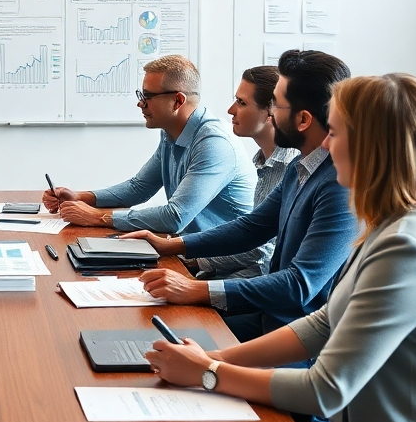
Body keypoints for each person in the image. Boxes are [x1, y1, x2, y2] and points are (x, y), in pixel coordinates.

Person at [145, 73, 416, 422]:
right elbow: (321, 324)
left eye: (335, 133)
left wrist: (209, 374)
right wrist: (217, 357)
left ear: (370, 146)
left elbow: (325, 388)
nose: (327, 146)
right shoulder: (385, 226)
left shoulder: (407, 246)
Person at [131, 50, 357, 344]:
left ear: (303, 119)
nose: (270, 113)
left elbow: (299, 285)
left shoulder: (339, 186)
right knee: (155, 330)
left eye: (276, 104)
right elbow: (251, 228)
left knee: (169, 337)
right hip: (271, 318)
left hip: (301, 338)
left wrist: (195, 289)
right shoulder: (299, 168)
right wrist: (171, 245)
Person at [44, 55, 254, 234]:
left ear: (178, 101)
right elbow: (138, 188)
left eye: (148, 96)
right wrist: (80, 197)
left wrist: (98, 217)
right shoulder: (171, 133)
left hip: (227, 263)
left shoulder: (214, 143)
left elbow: (174, 217)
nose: (140, 103)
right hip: (193, 254)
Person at [190, 66, 298, 279]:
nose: (231, 110)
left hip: (267, 281)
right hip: (243, 269)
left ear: (271, 112)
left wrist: (196, 261)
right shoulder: (261, 161)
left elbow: (262, 250)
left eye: (241, 102)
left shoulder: (291, 168)